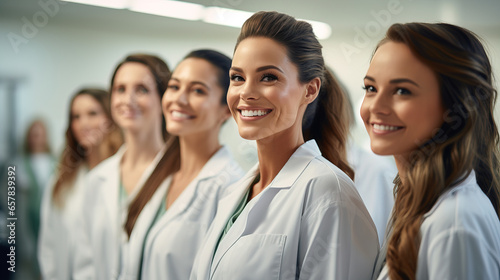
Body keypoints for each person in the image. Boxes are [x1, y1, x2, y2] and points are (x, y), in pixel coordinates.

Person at [190, 11, 379, 280]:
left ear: (310, 90)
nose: (246, 92)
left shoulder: (328, 194)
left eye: (268, 77)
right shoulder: (235, 193)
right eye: (237, 77)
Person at [361, 23, 500, 280]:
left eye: (402, 91)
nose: (376, 107)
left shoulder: (456, 223)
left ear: (455, 105)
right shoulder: (416, 199)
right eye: (371, 88)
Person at [129, 49, 244, 280]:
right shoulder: (160, 174)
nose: (179, 99)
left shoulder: (230, 187)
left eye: (197, 91)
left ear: (227, 109)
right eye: (174, 87)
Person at [72, 54, 170, 280]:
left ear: (164, 98)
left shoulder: (182, 175)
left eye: (142, 90)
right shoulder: (97, 179)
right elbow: (84, 265)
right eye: (120, 89)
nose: (128, 100)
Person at [38, 88, 122, 280]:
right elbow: (48, 242)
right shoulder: (62, 181)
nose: (83, 123)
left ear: (111, 119)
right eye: (76, 116)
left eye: (92, 114)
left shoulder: (122, 176)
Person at [16, 119, 56, 280]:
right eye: (33, 134)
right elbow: (10, 202)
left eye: (40, 134)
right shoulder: (16, 165)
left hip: (50, 224)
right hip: (25, 227)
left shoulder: (57, 163)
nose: (37, 138)